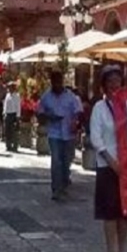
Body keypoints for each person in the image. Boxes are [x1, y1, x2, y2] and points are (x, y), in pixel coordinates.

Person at [89, 65, 127, 252]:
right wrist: (112, 162)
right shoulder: (99, 109)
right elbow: (96, 138)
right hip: (107, 166)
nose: (114, 86)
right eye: (110, 82)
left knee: (125, 212)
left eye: (117, 81)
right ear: (104, 86)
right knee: (109, 212)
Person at [37, 70, 83, 201]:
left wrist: (76, 122)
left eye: (59, 81)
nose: (57, 84)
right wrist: (48, 116)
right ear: (51, 82)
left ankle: (63, 183)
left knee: (66, 160)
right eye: (54, 82)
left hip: (69, 133)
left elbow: (79, 111)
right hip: (54, 133)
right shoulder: (46, 97)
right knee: (56, 160)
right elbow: (39, 112)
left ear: (62, 81)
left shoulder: (70, 96)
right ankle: (56, 189)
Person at [3, 81, 21, 153]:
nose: (9, 88)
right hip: (8, 114)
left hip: (14, 115)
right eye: (9, 87)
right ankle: (8, 145)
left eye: (11, 87)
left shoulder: (17, 96)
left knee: (14, 131)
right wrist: (4, 113)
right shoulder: (7, 95)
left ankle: (15, 146)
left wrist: (18, 117)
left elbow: (18, 107)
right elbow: (5, 105)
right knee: (7, 131)